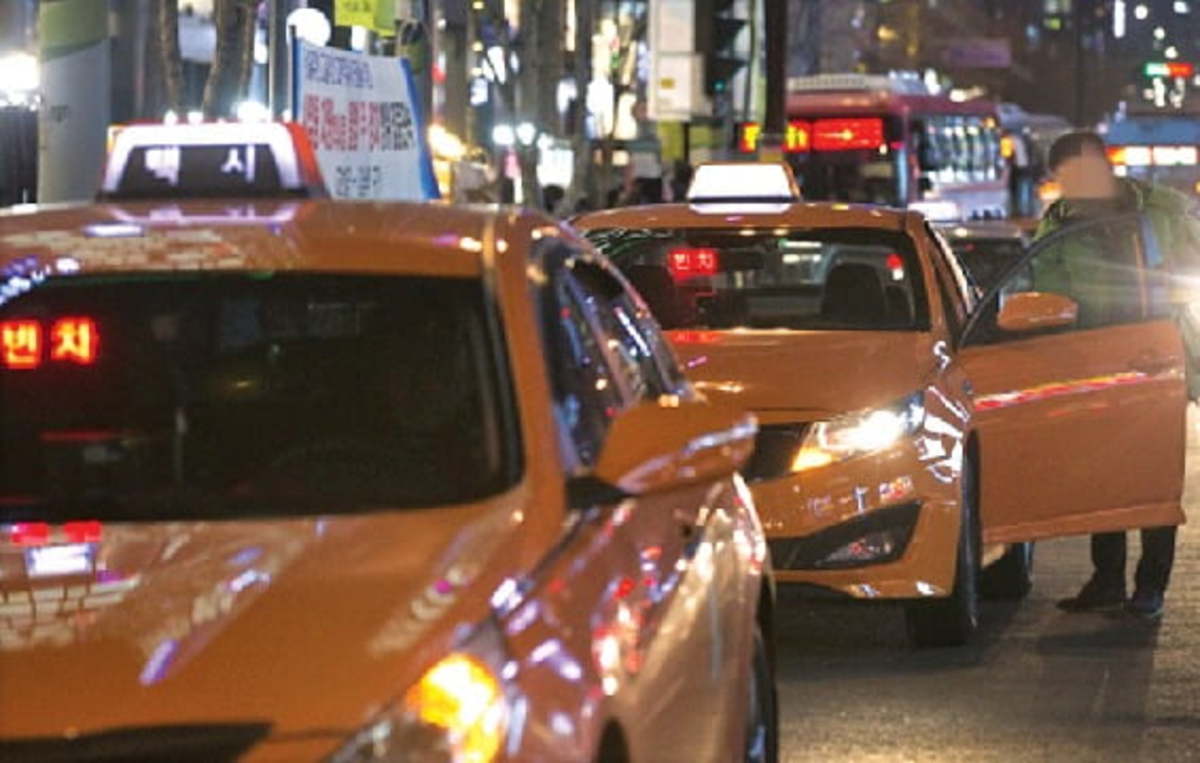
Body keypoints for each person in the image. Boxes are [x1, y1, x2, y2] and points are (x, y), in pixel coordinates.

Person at [1035, 131, 1198, 620]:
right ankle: (1106, 579)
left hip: (1157, 359)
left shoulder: (1163, 209)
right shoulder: (1059, 223)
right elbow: (1044, 288)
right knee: (1104, 478)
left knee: (1155, 479)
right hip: (1095, 364)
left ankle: (1150, 586)